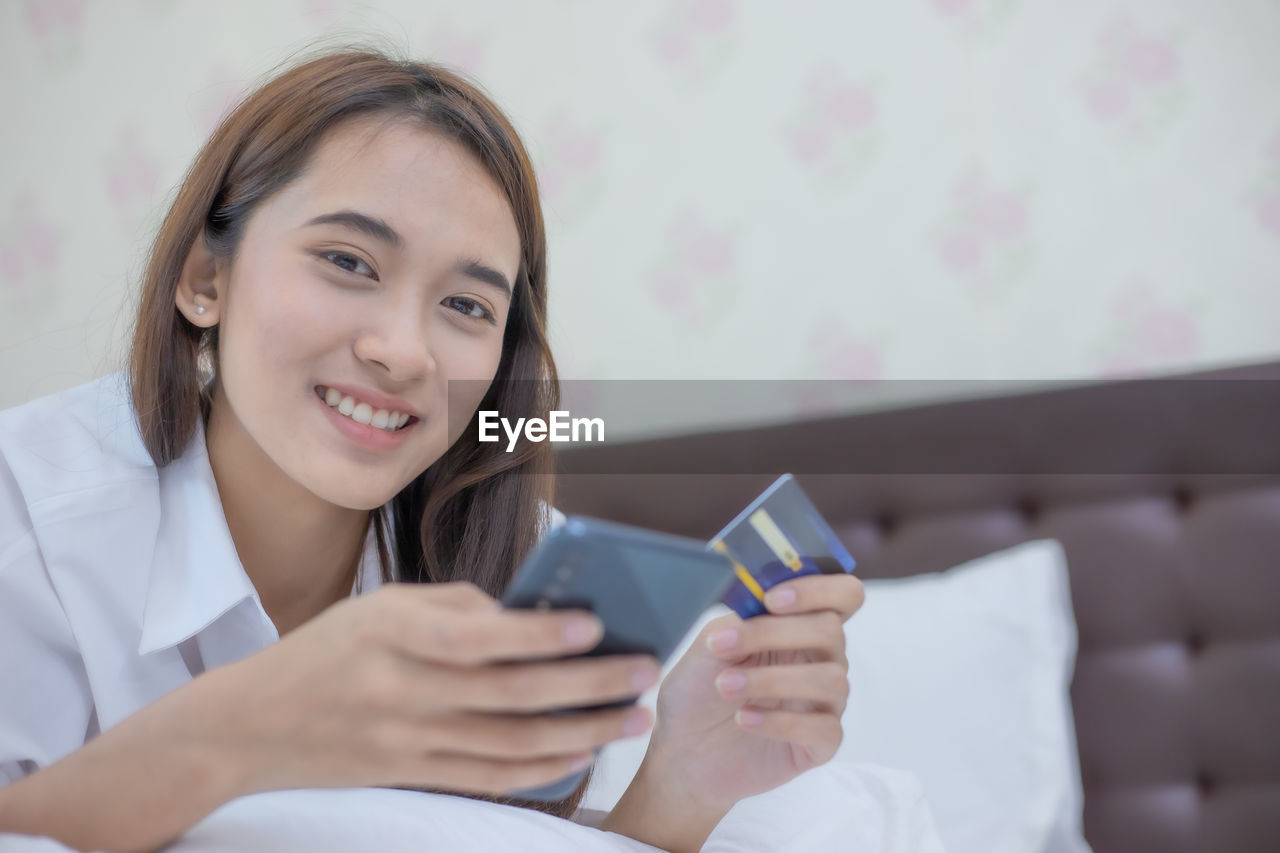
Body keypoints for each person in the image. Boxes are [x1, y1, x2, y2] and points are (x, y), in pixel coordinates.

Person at [0, 48, 865, 852]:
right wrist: (253, 722)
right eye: (348, 260)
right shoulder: (31, 518)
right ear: (204, 280)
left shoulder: (519, 565)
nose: (404, 352)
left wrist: (677, 791)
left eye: (466, 307)